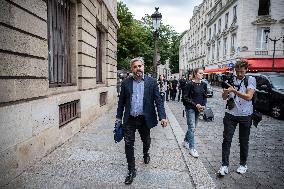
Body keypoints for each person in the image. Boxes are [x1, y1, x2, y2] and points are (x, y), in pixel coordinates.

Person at [116, 57, 168, 185]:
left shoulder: (152, 82)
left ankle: (146, 153)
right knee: (128, 144)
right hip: (130, 119)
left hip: (145, 119)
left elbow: (158, 101)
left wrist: (162, 116)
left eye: (140, 66)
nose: (138, 68)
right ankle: (131, 170)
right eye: (135, 67)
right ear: (131, 69)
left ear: (143, 67)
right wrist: (118, 118)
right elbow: (121, 102)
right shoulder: (125, 83)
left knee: (146, 140)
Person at [217, 59, 256, 176]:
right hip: (231, 114)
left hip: (246, 115)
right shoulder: (230, 80)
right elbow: (224, 97)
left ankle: (243, 164)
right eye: (237, 71)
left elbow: (249, 97)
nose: (239, 74)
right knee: (226, 140)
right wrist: (226, 92)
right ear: (235, 70)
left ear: (246, 70)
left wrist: (234, 90)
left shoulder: (250, 80)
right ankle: (224, 165)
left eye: (242, 72)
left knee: (243, 141)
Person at [182, 68, 207, 158]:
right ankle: (192, 148)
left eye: (202, 73)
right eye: (200, 73)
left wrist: (203, 105)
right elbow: (184, 97)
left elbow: (205, 96)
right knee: (192, 127)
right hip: (190, 108)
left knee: (193, 127)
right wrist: (195, 104)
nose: (202, 75)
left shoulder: (204, 84)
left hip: (198, 109)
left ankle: (185, 141)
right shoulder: (189, 84)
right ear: (195, 74)